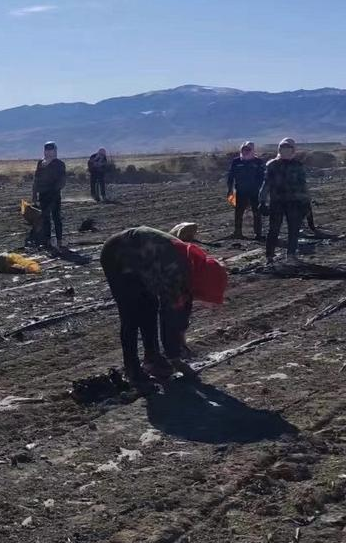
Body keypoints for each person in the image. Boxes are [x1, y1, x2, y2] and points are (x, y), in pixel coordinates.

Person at [101, 225, 228, 386]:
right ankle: (133, 370)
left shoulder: (194, 267)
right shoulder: (177, 270)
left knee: (150, 305)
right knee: (131, 315)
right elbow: (168, 314)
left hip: (144, 261)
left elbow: (184, 304)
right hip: (117, 254)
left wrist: (181, 335)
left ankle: (152, 358)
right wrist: (175, 358)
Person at [260, 137, 310, 264]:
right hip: (277, 202)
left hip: (294, 203)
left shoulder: (298, 166)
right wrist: (262, 201)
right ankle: (269, 256)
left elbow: (303, 186)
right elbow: (266, 184)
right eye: (283, 149)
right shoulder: (272, 165)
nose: (285, 151)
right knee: (274, 229)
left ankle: (291, 255)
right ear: (279, 150)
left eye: (288, 149)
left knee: (293, 229)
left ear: (293, 150)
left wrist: (306, 202)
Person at [226, 142, 266, 239]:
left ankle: (258, 234)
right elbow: (231, 176)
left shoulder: (258, 162)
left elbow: (263, 177)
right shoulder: (236, 161)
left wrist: (262, 190)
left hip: (255, 192)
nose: (245, 151)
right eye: (244, 149)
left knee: (257, 212)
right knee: (238, 212)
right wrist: (230, 189)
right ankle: (238, 232)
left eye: (248, 149)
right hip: (240, 191)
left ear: (252, 150)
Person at [33, 141, 67, 250]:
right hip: (43, 195)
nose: (49, 152)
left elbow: (62, 181)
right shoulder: (40, 163)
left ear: (55, 151)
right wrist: (34, 194)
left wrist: (54, 190)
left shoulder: (59, 164)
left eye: (51, 150)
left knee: (56, 218)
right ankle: (47, 241)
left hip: (54, 196)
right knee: (45, 219)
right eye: (47, 150)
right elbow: (36, 179)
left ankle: (59, 241)